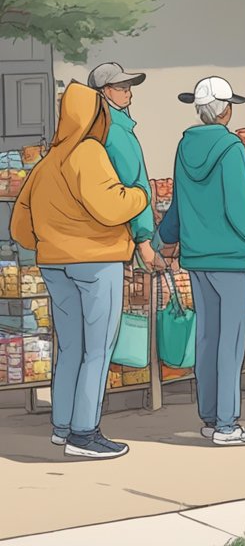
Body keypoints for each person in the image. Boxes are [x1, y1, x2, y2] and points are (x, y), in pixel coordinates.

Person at [10, 83, 147, 459]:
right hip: (97, 261)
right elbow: (112, 207)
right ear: (96, 115)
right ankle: (85, 434)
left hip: (54, 264)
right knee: (97, 350)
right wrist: (139, 195)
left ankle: (62, 425)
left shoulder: (47, 163)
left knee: (69, 348)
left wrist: (49, 242)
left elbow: (19, 227)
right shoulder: (88, 153)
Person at [158, 77, 245, 447]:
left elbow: (177, 204)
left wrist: (167, 240)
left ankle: (208, 415)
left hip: (196, 257)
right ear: (226, 110)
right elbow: (240, 207)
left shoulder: (184, 146)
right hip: (231, 257)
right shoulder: (230, 147)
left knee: (207, 337)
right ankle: (227, 424)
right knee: (231, 339)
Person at [87, 63, 160, 273]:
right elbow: (134, 184)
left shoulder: (91, 126)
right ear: (104, 91)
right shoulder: (117, 130)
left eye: (129, 87)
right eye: (122, 88)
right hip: (118, 236)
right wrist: (144, 239)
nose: (129, 94)